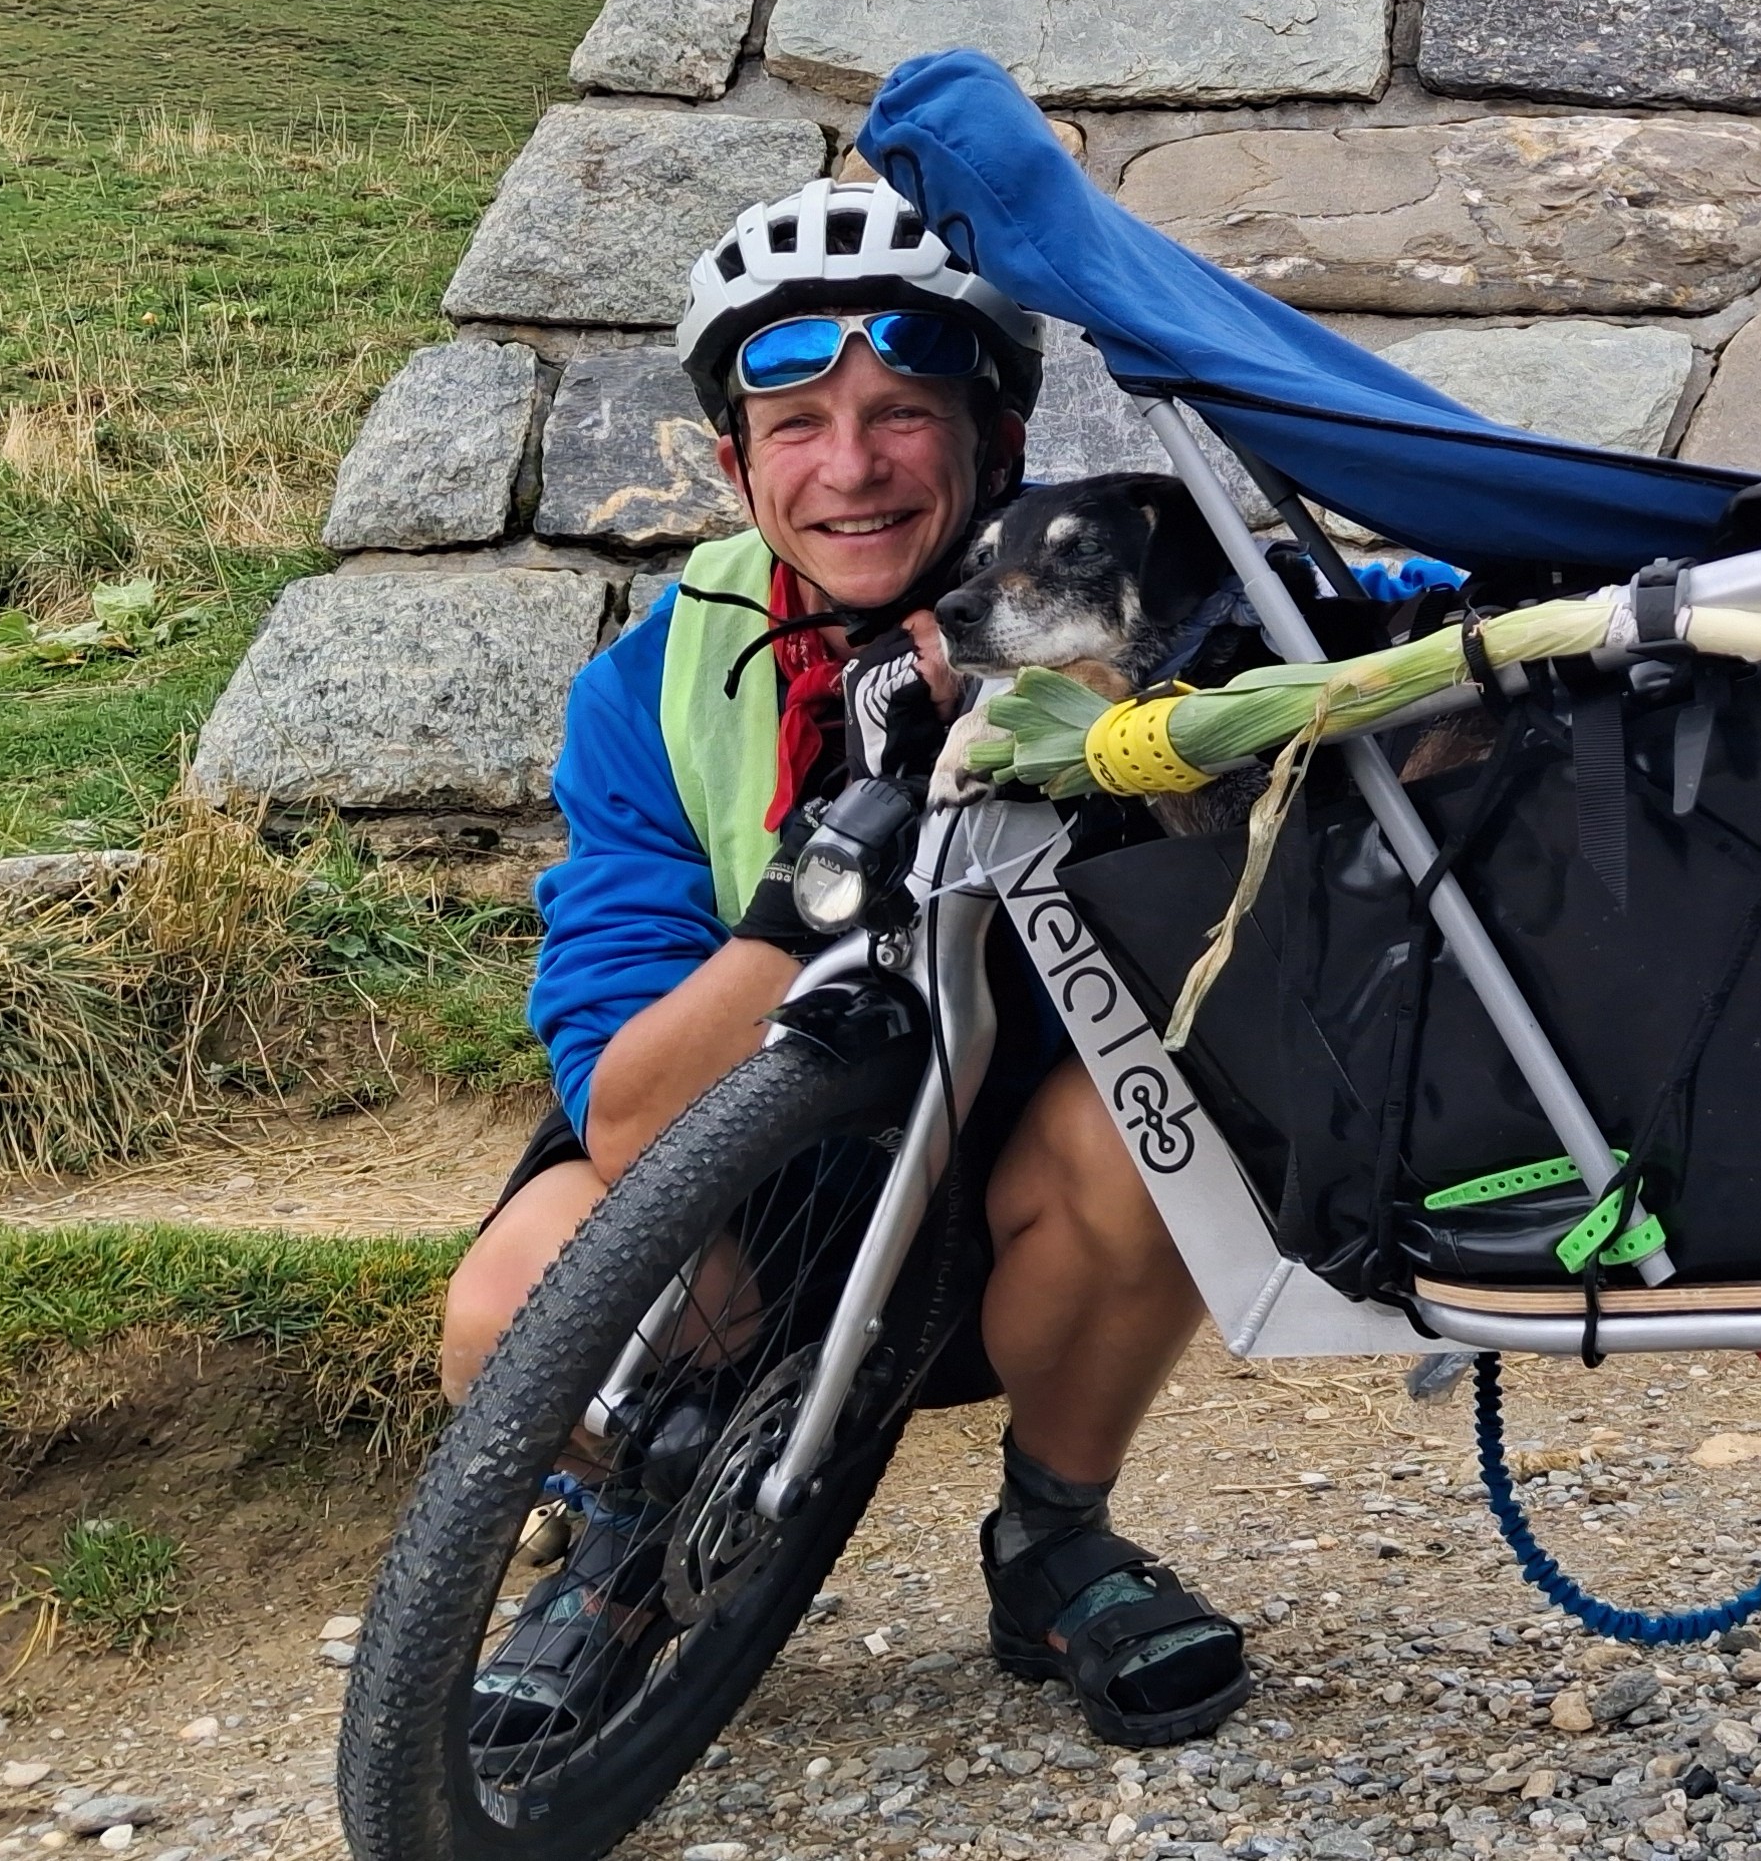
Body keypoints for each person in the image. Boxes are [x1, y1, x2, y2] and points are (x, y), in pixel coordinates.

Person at [435, 177, 1246, 1753]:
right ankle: (619, 1553)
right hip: (756, 1154)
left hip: (1012, 1164)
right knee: (505, 1313)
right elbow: (626, 1111)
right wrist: (836, 851)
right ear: (736, 466)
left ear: (997, 440)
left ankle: (1054, 1539)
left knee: (1156, 1144)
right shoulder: (652, 685)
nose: (852, 467)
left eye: (902, 412)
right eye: (795, 422)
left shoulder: (1133, 598)